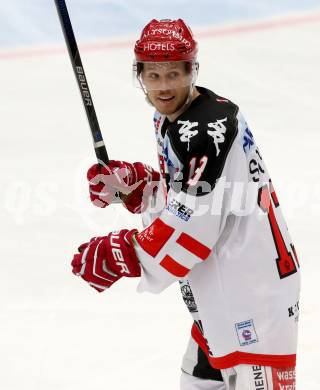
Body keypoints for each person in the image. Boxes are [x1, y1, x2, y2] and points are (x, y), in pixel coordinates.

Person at [71, 19, 300, 389]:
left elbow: (194, 222)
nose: (164, 87)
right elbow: (194, 196)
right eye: (154, 75)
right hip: (221, 290)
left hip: (251, 299)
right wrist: (138, 187)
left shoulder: (206, 130)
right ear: (140, 75)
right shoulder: (179, 119)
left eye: (174, 74)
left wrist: (124, 252)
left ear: (192, 71)